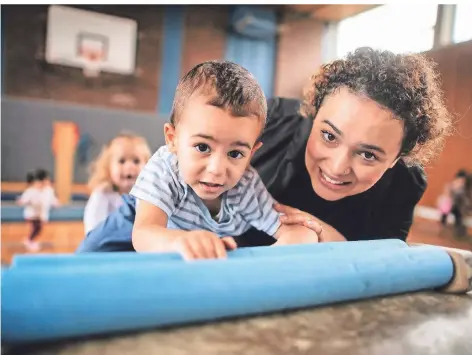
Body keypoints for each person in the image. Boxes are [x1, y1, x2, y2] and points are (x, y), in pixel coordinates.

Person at [77, 47, 452, 253]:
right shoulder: (267, 123)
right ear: (313, 113)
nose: (337, 166)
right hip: (160, 226)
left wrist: (311, 230)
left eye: (368, 154)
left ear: (398, 157)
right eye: (329, 136)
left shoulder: (403, 184)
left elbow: (375, 258)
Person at [131, 61, 320, 260]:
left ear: (251, 154)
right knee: (98, 243)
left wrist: (259, 265)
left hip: (210, 232)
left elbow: (300, 234)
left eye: (235, 153)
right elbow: (143, 233)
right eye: (203, 147)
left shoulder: (245, 185)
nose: (217, 170)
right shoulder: (163, 171)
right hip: (143, 212)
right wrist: (179, 241)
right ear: (172, 139)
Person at [83, 132, 151, 234]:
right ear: (108, 167)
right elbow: (93, 227)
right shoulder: (103, 194)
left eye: (136, 161)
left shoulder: (147, 195)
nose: (129, 166)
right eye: (122, 161)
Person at [17, 169, 60, 251]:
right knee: (37, 227)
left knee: (39, 228)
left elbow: (51, 199)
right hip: (32, 214)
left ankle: (30, 240)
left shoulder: (48, 190)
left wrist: (55, 203)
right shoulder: (31, 191)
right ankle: (29, 240)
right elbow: (24, 200)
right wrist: (22, 201)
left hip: (41, 214)